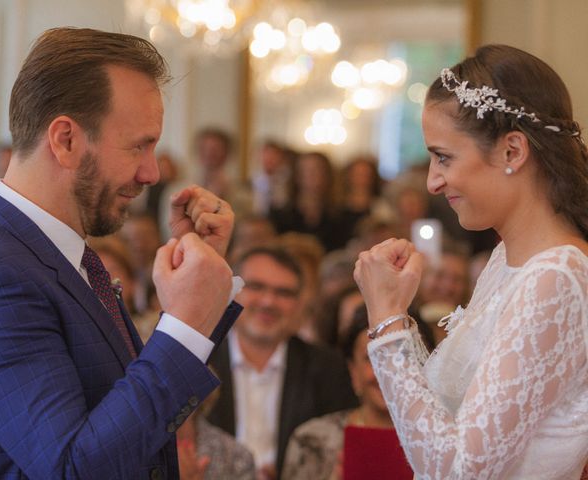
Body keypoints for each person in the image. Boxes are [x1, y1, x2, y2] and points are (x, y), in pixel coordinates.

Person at [0, 27, 243, 479]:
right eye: (139, 145)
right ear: (65, 140)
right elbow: (73, 468)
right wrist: (184, 325)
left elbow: (119, 407)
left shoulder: (58, 253)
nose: (151, 172)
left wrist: (202, 280)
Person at [354, 44, 588, 479]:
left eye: (443, 157)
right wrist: (400, 322)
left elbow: (461, 471)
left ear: (512, 152)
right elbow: (449, 421)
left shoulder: (556, 277)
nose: (433, 181)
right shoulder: (507, 259)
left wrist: (385, 323)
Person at [207, 245, 357, 479]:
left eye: (284, 293)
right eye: (256, 287)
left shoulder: (328, 368)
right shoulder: (202, 360)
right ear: (232, 291)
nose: (268, 302)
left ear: (299, 303)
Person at [282, 305, 410, 480]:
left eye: (401, 357)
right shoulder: (312, 440)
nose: (389, 372)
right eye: (373, 358)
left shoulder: (446, 439)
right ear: (353, 371)